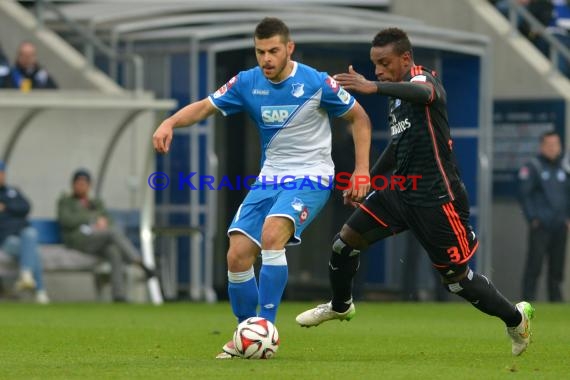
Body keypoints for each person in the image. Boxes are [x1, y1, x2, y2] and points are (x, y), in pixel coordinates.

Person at [295, 28, 535, 357]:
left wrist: (372, 87)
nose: (378, 70)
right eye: (374, 64)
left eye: (384, 63)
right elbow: (398, 145)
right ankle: (340, 305)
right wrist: (367, 178)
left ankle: (516, 317)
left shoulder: (424, 81)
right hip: (401, 193)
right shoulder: (398, 98)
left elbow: (424, 94)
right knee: (344, 243)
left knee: (457, 281)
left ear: (406, 59)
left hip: (437, 200)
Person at [152, 17, 372, 359]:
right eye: (259, 52)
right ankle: (247, 334)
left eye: (273, 51)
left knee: (272, 234)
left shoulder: (315, 82)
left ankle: (265, 328)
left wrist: (361, 170)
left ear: (289, 48)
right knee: (237, 254)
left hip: (312, 176)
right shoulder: (246, 83)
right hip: (270, 178)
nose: (266, 59)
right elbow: (204, 108)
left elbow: (359, 117)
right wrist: (169, 122)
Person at [57, 169, 155, 302]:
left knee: (113, 251)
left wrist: (101, 223)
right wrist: (92, 218)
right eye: (78, 183)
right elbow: (66, 220)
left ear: (89, 186)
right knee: (113, 232)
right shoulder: (65, 201)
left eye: (84, 184)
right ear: (73, 185)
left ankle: (118, 295)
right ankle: (138, 262)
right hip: (78, 240)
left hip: (97, 239)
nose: (81, 186)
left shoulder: (95, 203)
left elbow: (109, 220)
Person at [518, 131, 569, 302]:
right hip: (541, 226)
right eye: (549, 145)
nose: (553, 148)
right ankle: (527, 302)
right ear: (542, 146)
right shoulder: (534, 167)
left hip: (560, 226)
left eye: (556, 145)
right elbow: (524, 195)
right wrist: (533, 218)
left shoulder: (564, 167)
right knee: (534, 265)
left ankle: (556, 302)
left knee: (557, 268)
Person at [0, 160, 50, 304]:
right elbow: (19, 211)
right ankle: (40, 290)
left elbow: (25, 207)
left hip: (23, 235)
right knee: (33, 251)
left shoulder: (13, 191)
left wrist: (6, 207)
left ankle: (26, 275)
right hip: (6, 239)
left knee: (30, 233)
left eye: (2, 173)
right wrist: (13, 211)